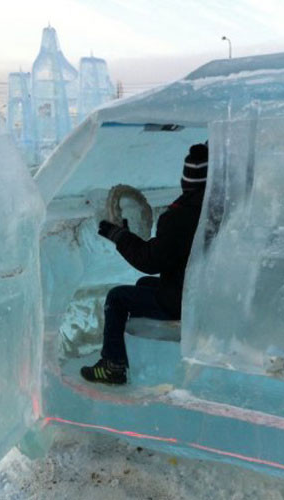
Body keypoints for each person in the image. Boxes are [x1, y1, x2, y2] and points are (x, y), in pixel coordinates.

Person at [81, 143, 208, 385]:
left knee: (117, 298)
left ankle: (113, 365)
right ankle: (144, 356)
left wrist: (118, 235)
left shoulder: (179, 217)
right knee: (143, 285)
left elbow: (151, 260)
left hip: (186, 301)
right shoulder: (214, 208)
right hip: (204, 294)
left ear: (186, 181)